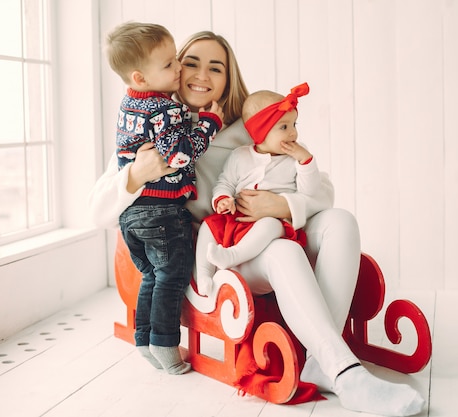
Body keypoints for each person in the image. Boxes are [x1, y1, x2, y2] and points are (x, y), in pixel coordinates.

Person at [90, 30, 424, 416]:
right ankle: (345, 371)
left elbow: (322, 192)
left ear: (229, 79)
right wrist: (135, 175)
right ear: (173, 68)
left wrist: (278, 205)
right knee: (281, 251)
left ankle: (323, 361)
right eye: (191, 62)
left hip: (266, 230)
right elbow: (96, 212)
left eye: (216, 68)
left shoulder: (248, 131)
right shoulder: (153, 130)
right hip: (216, 254)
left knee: (341, 221)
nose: (201, 75)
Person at [105, 22, 224, 375]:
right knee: (171, 275)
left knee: (153, 278)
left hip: (133, 215)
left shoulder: (130, 103)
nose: (178, 70)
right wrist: (209, 125)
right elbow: (180, 155)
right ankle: (166, 344)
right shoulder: (164, 108)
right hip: (162, 211)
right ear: (141, 77)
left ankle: (144, 339)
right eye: (171, 64)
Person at [195, 83, 321, 296]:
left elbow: (310, 190)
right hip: (238, 219)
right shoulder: (240, 156)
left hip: (274, 220)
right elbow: (225, 182)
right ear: (260, 133)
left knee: (270, 226)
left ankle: (232, 256)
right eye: (284, 127)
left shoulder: (295, 159)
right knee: (208, 226)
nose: (293, 133)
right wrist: (223, 199)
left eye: (294, 124)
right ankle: (204, 276)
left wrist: (305, 160)